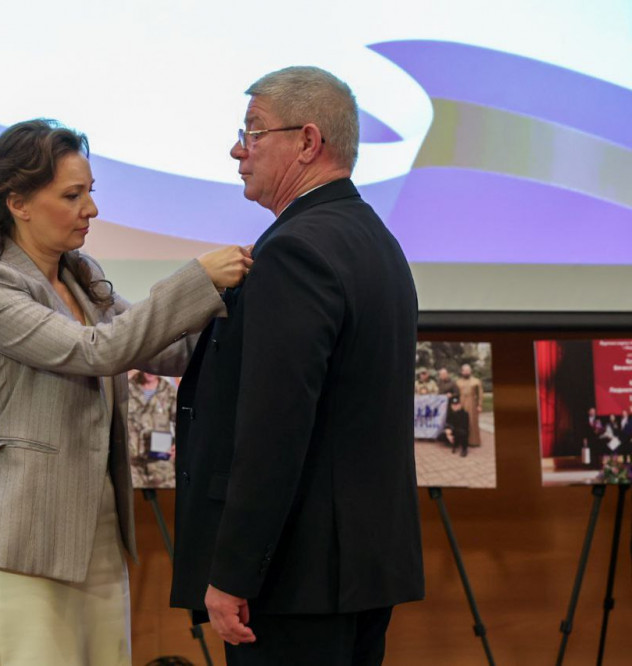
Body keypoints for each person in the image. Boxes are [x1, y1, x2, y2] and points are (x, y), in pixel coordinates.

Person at [0, 119, 250, 666]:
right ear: (18, 203)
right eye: (72, 195)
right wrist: (197, 279)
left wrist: (251, 301)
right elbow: (98, 351)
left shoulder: (81, 278)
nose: (91, 209)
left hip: (98, 538)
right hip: (23, 546)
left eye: (90, 192)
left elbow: (172, 352)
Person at [170, 66, 424, 665]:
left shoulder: (293, 252)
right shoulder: (375, 240)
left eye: (254, 132)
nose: (238, 150)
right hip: (357, 571)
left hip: (294, 580)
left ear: (308, 142)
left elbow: (274, 428)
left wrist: (233, 573)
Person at [126, 371, 178, 489]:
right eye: (147, 367)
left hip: (161, 465)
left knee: (165, 499)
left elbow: (182, 421)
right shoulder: (127, 390)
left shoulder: (168, 391)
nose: (151, 371)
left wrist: (178, 444)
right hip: (133, 465)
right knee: (134, 500)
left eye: (155, 367)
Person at [456, 363, 484, 448]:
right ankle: (462, 441)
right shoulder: (458, 382)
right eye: (464, 370)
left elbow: (480, 394)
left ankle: (473, 441)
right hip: (461, 403)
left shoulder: (476, 381)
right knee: (461, 422)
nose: (466, 372)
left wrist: (479, 405)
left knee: (472, 422)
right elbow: (456, 394)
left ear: (470, 371)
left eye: (468, 370)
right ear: (462, 372)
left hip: (472, 403)